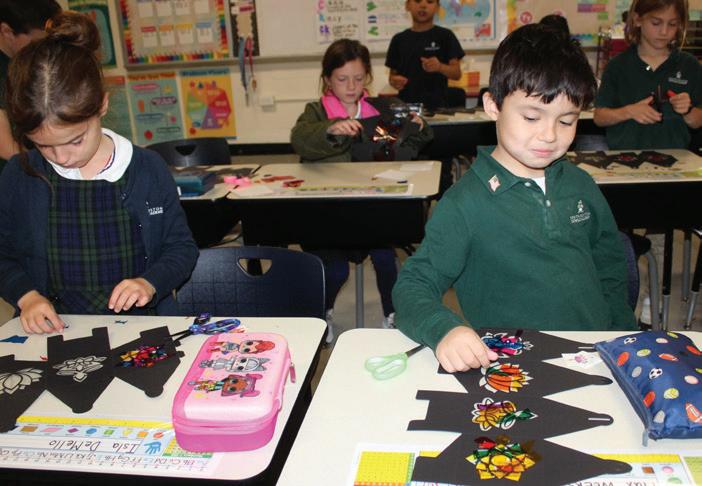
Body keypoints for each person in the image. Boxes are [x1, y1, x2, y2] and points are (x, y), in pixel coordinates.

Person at [392, 23, 637, 373]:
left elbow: (610, 266)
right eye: (532, 117)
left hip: (596, 357)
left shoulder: (580, 185)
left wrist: (621, 333)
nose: (549, 135)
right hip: (515, 368)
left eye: (566, 121)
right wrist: (445, 329)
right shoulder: (465, 204)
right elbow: (413, 285)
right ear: (493, 105)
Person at [0, 11, 198, 334]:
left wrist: (149, 283)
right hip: (55, 331)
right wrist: (27, 296)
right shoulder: (20, 175)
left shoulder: (147, 169)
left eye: (76, 140)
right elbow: (3, 255)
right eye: (44, 146)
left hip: (141, 328)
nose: (62, 157)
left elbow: (182, 249)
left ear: (102, 106)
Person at [290, 38, 432, 343]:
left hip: (370, 210)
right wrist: (330, 129)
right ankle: (322, 314)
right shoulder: (316, 111)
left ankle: (392, 315)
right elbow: (300, 139)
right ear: (328, 79)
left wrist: (418, 127)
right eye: (342, 79)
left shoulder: (379, 110)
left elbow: (407, 143)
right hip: (328, 214)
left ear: (367, 76)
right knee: (335, 270)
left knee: (386, 259)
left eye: (358, 78)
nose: (351, 87)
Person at [594, 0, 702, 149]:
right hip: (625, 157)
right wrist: (629, 111)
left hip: (677, 158)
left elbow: (698, 121)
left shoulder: (689, 65)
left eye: (672, 24)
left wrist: (687, 109)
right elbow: (599, 117)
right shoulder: (617, 65)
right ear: (637, 20)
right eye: (656, 23)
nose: (664, 32)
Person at [0, 0, 61, 171]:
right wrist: (54, 172)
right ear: (6, 31)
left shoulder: (25, 62)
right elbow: (5, 147)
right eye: (37, 41)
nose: (45, 48)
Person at [385, 0, 464, 110]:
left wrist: (440, 67)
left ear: (437, 7)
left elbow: (456, 73)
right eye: (417, 1)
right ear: (407, 5)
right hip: (407, 107)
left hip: (438, 107)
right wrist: (394, 81)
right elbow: (392, 76)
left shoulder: (446, 36)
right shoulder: (398, 39)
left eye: (429, 1)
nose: (423, 5)